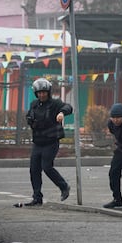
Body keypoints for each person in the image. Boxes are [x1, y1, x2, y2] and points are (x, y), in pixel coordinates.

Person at [25, 78, 73, 206]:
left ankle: (64, 187)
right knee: (34, 169)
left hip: (51, 141)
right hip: (38, 142)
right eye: (39, 92)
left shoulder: (55, 104)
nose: (42, 95)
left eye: (44, 92)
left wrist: (62, 113)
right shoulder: (34, 104)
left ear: (48, 92)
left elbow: (68, 107)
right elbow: (29, 117)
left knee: (46, 167)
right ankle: (37, 197)